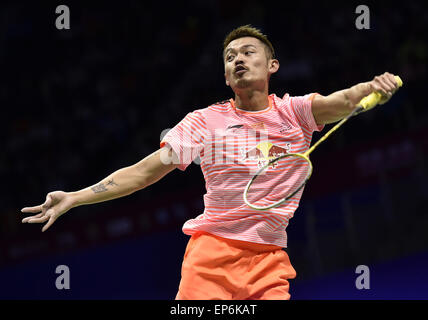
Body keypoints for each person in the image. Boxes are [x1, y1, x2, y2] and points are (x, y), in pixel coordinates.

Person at [21, 25, 401, 300]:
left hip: (269, 259)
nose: (238, 59)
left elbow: (345, 100)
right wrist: (75, 196)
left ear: (272, 65)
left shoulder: (296, 113)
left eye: (248, 52)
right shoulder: (203, 123)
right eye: (230, 56)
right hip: (211, 258)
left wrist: (374, 88)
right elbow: (142, 174)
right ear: (224, 74)